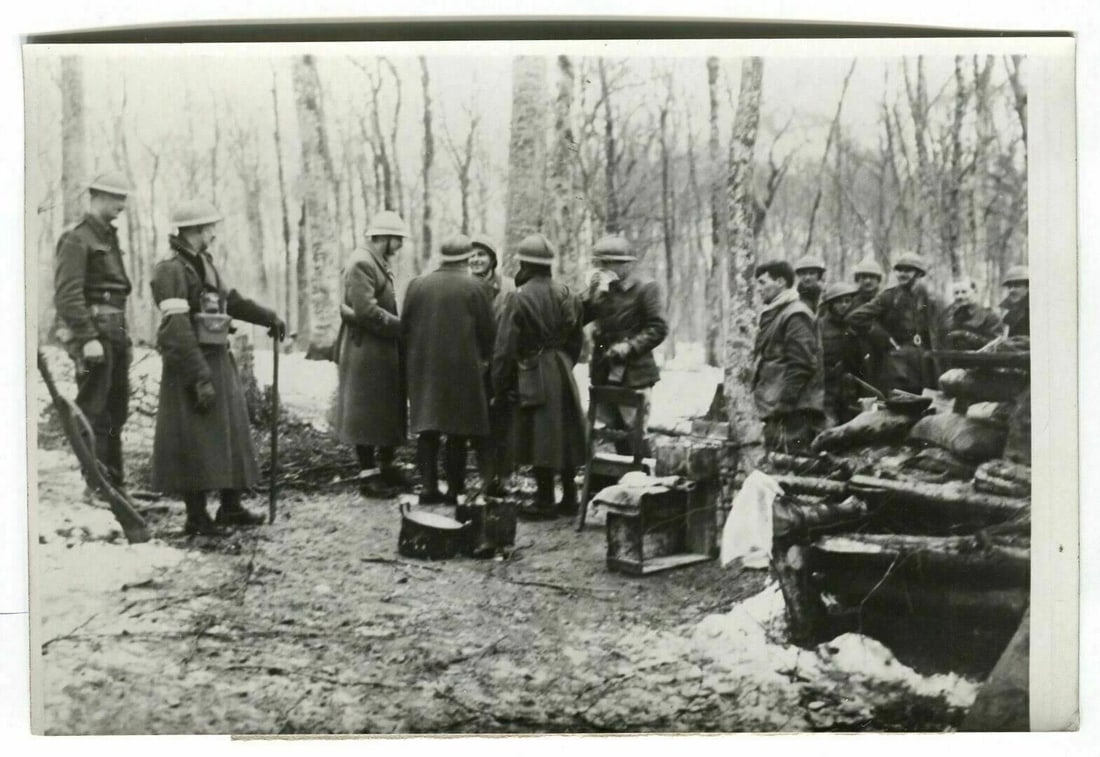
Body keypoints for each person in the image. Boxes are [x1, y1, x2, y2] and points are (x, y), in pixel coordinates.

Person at [149, 200, 286, 536]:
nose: (214, 233)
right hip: (189, 362)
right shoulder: (170, 269)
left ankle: (231, 507)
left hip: (217, 357)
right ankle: (196, 517)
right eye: (210, 227)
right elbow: (175, 327)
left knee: (230, 430)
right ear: (195, 229)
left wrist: (267, 317)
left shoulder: (205, 263)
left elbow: (231, 300)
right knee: (194, 438)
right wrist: (199, 377)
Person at [492, 234, 586, 517]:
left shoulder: (518, 297)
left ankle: (545, 501)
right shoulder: (567, 293)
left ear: (525, 264)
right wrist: (564, 363)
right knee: (565, 431)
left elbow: (505, 348)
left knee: (540, 434)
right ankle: (569, 497)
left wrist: (500, 385)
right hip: (562, 368)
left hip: (532, 371)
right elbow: (577, 341)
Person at [54, 170, 136, 493]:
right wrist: (87, 338)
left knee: (117, 410)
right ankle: (97, 486)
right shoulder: (77, 238)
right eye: (116, 197)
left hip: (115, 331)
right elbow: (67, 295)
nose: (122, 204)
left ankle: (114, 485)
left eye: (124, 198)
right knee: (94, 410)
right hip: (95, 333)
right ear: (96, 196)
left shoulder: (108, 237)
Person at [402, 235, 495, 505]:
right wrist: (484, 359)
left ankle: (428, 488)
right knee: (458, 431)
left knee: (427, 429)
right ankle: (455, 490)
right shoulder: (476, 287)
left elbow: (404, 328)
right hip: (463, 369)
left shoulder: (417, 285)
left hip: (424, 368)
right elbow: (488, 332)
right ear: (466, 257)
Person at [333, 210, 410, 498]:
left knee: (385, 406)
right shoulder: (362, 262)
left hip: (379, 345)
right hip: (364, 348)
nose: (400, 245)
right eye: (398, 239)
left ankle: (386, 466)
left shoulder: (376, 262)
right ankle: (368, 474)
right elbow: (366, 311)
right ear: (384, 238)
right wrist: (401, 327)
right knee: (365, 411)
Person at [582, 234, 668, 457]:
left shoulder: (646, 288)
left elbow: (658, 327)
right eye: (599, 263)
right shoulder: (601, 289)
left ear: (626, 265)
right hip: (604, 369)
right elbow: (579, 317)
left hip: (634, 372)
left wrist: (630, 347)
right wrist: (590, 296)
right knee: (608, 431)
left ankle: (641, 477)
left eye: (607, 263)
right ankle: (611, 479)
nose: (602, 268)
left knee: (634, 432)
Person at [751, 260, 826, 453]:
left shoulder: (796, 314)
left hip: (792, 412)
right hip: (776, 406)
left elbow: (802, 364)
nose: (758, 289)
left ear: (780, 282)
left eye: (763, 282)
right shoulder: (778, 313)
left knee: (789, 462)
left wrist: (785, 404)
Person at [847, 251, 943, 396]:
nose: (902, 274)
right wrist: (882, 336)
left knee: (927, 402)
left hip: (925, 361)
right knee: (900, 401)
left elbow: (939, 328)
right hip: (898, 361)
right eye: (900, 270)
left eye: (908, 271)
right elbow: (856, 317)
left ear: (918, 274)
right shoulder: (888, 297)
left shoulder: (930, 298)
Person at [468, 234, 509, 496]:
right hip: (473, 367)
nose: (475, 260)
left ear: (493, 260)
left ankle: (503, 478)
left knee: (502, 423)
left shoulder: (508, 288)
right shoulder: (463, 287)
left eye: (481, 255)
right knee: (478, 425)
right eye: (471, 255)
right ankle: (486, 477)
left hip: (503, 363)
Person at [818, 281, 864, 426]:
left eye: (847, 301)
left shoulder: (854, 325)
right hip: (826, 387)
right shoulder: (819, 326)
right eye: (839, 302)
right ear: (831, 304)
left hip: (849, 389)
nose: (844, 305)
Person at [938, 277, 1003, 350]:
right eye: (956, 293)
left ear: (975, 292)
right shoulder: (949, 315)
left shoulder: (989, 316)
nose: (959, 296)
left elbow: (996, 344)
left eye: (964, 292)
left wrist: (966, 334)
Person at [1000, 265, 1030, 337]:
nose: (1011, 290)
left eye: (1017, 285)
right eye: (1009, 286)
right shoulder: (1011, 311)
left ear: (1028, 287)